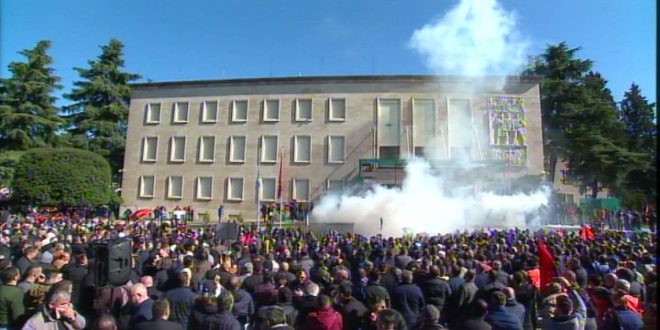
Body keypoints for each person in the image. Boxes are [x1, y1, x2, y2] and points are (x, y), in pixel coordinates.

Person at [22, 289, 86, 330]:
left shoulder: (69, 314)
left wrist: (73, 318)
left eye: (68, 303)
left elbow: (81, 326)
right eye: (63, 304)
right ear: (51, 305)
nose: (67, 306)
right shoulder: (36, 321)